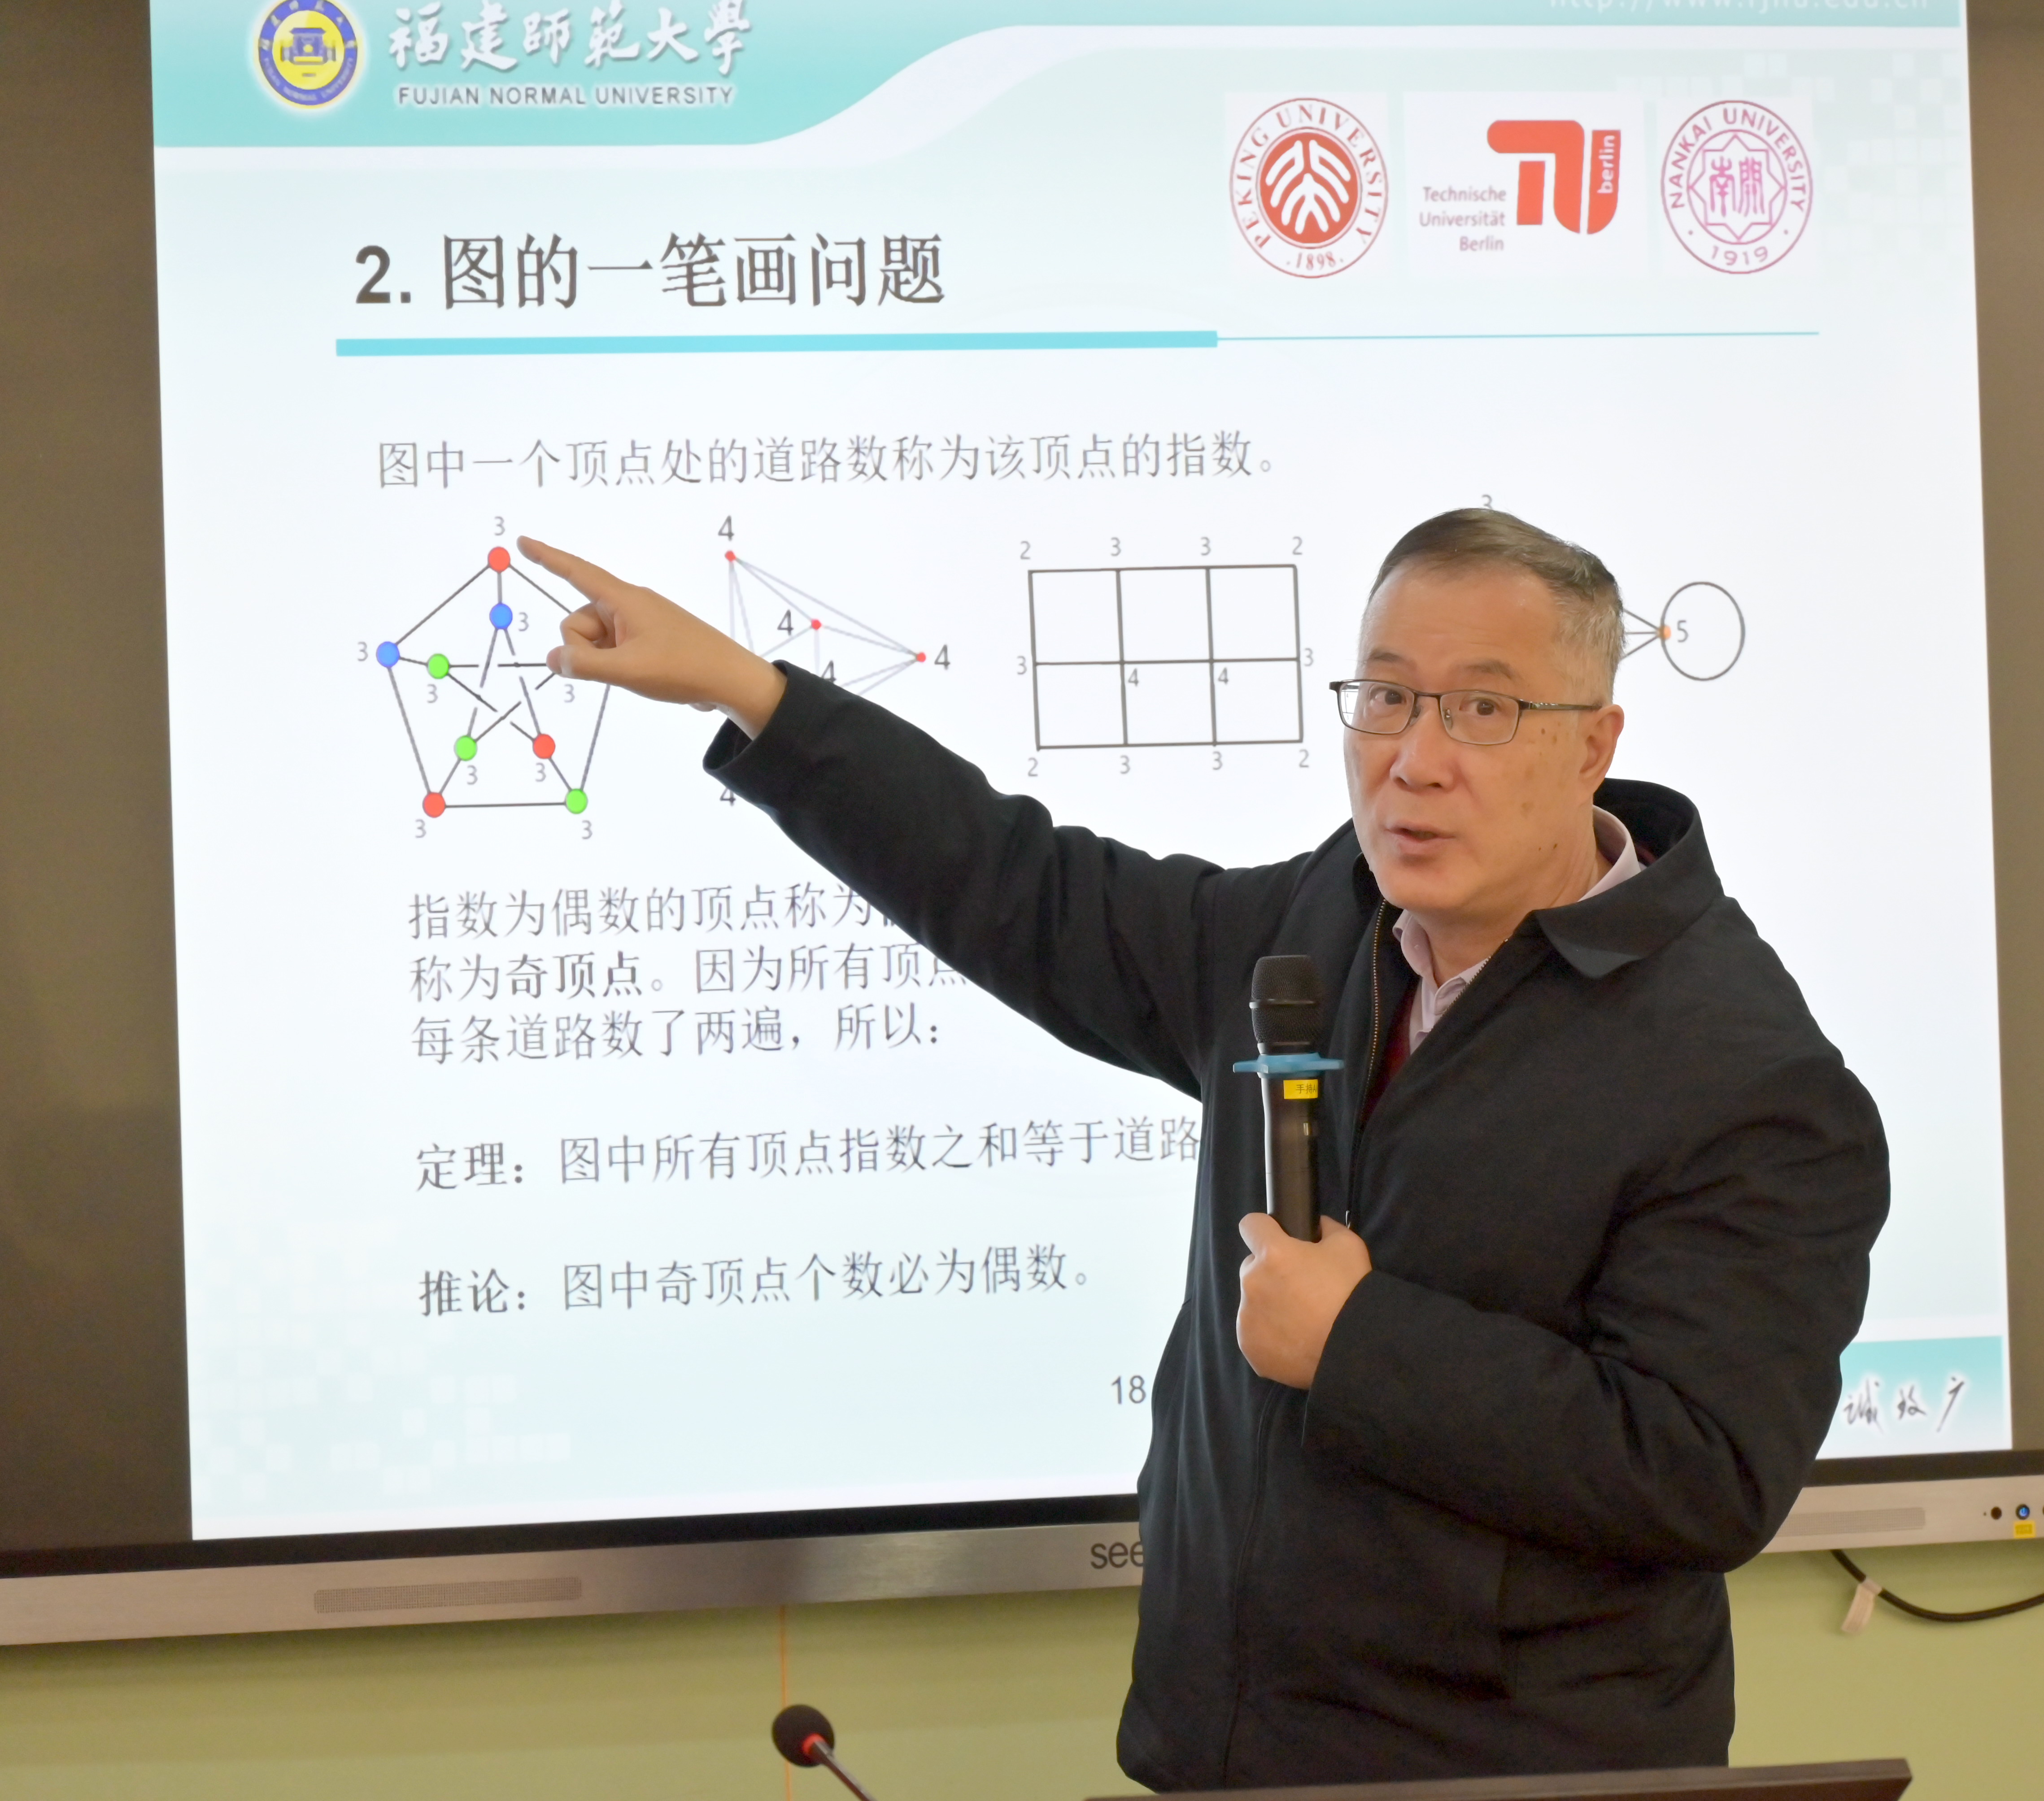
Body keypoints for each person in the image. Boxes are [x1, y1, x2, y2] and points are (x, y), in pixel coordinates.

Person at [519, 509, 1888, 1789]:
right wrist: (753, 695)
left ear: (1593, 743)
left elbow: (1703, 1470)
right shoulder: (1325, 921)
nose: (1415, 759)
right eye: (1385, 697)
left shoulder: (1746, 1076)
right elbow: (1029, 894)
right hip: (1225, 1747)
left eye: (1483, 708)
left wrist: (1359, 1344)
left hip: (1512, 1772)